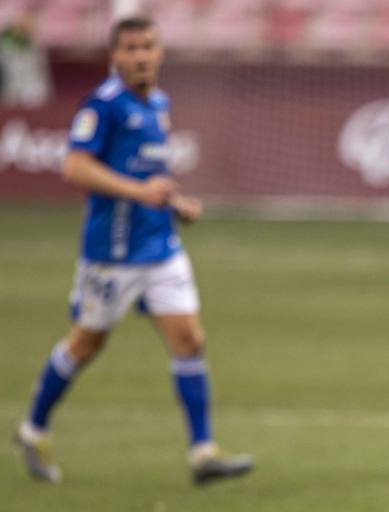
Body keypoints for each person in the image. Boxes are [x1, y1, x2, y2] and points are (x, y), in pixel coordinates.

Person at [13, 16, 251, 486]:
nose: (141, 56)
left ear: (160, 52)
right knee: (86, 344)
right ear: (115, 56)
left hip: (160, 247)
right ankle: (33, 428)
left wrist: (176, 203)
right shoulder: (103, 106)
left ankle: (202, 452)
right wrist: (137, 193)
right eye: (131, 48)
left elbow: (147, 172)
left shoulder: (159, 103)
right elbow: (76, 167)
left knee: (190, 339)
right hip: (112, 254)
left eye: (148, 46)